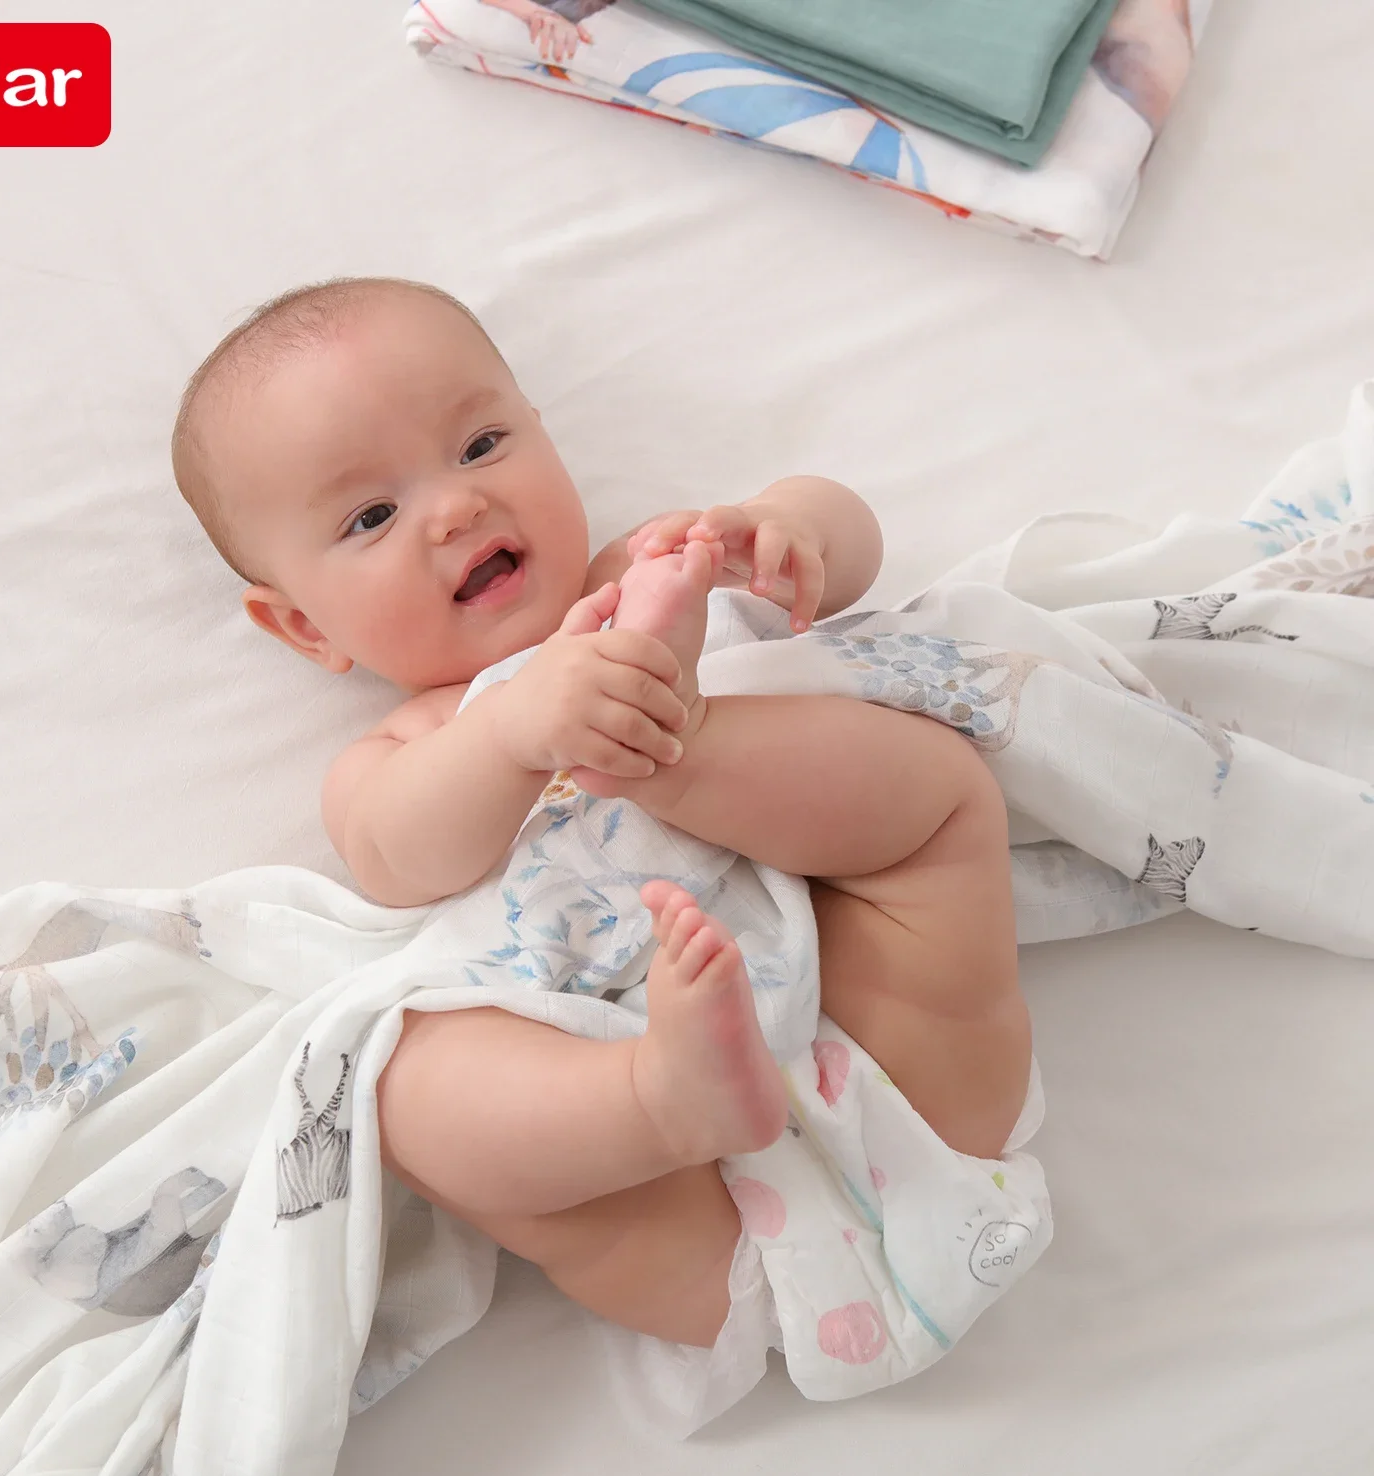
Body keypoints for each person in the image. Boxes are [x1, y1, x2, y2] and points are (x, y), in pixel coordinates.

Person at [171, 276, 1029, 1349]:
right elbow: (397, 859)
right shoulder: (406, 748)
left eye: (481, 445)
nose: (456, 508)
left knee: (935, 787)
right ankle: (656, 1092)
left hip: (908, 1067)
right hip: (688, 1217)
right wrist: (510, 734)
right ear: (305, 627)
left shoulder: (653, 573)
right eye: (372, 516)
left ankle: (676, 743)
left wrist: (791, 525)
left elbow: (844, 560)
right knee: (397, 1080)